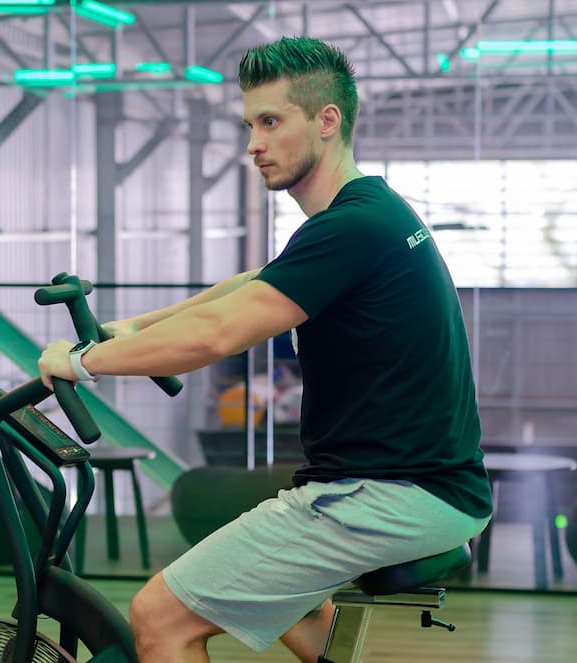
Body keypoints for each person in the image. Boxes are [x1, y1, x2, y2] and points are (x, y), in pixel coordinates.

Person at [37, 36, 493, 663]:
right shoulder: (368, 213)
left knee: (159, 618)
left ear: (326, 121)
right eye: (250, 124)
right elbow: (250, 285)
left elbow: (218, 334)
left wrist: (80, 362)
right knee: (295, 610)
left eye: (272, 122)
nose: (253, 143)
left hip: (387, 493)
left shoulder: (351, 227)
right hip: (420, 488)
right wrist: (137, 327)